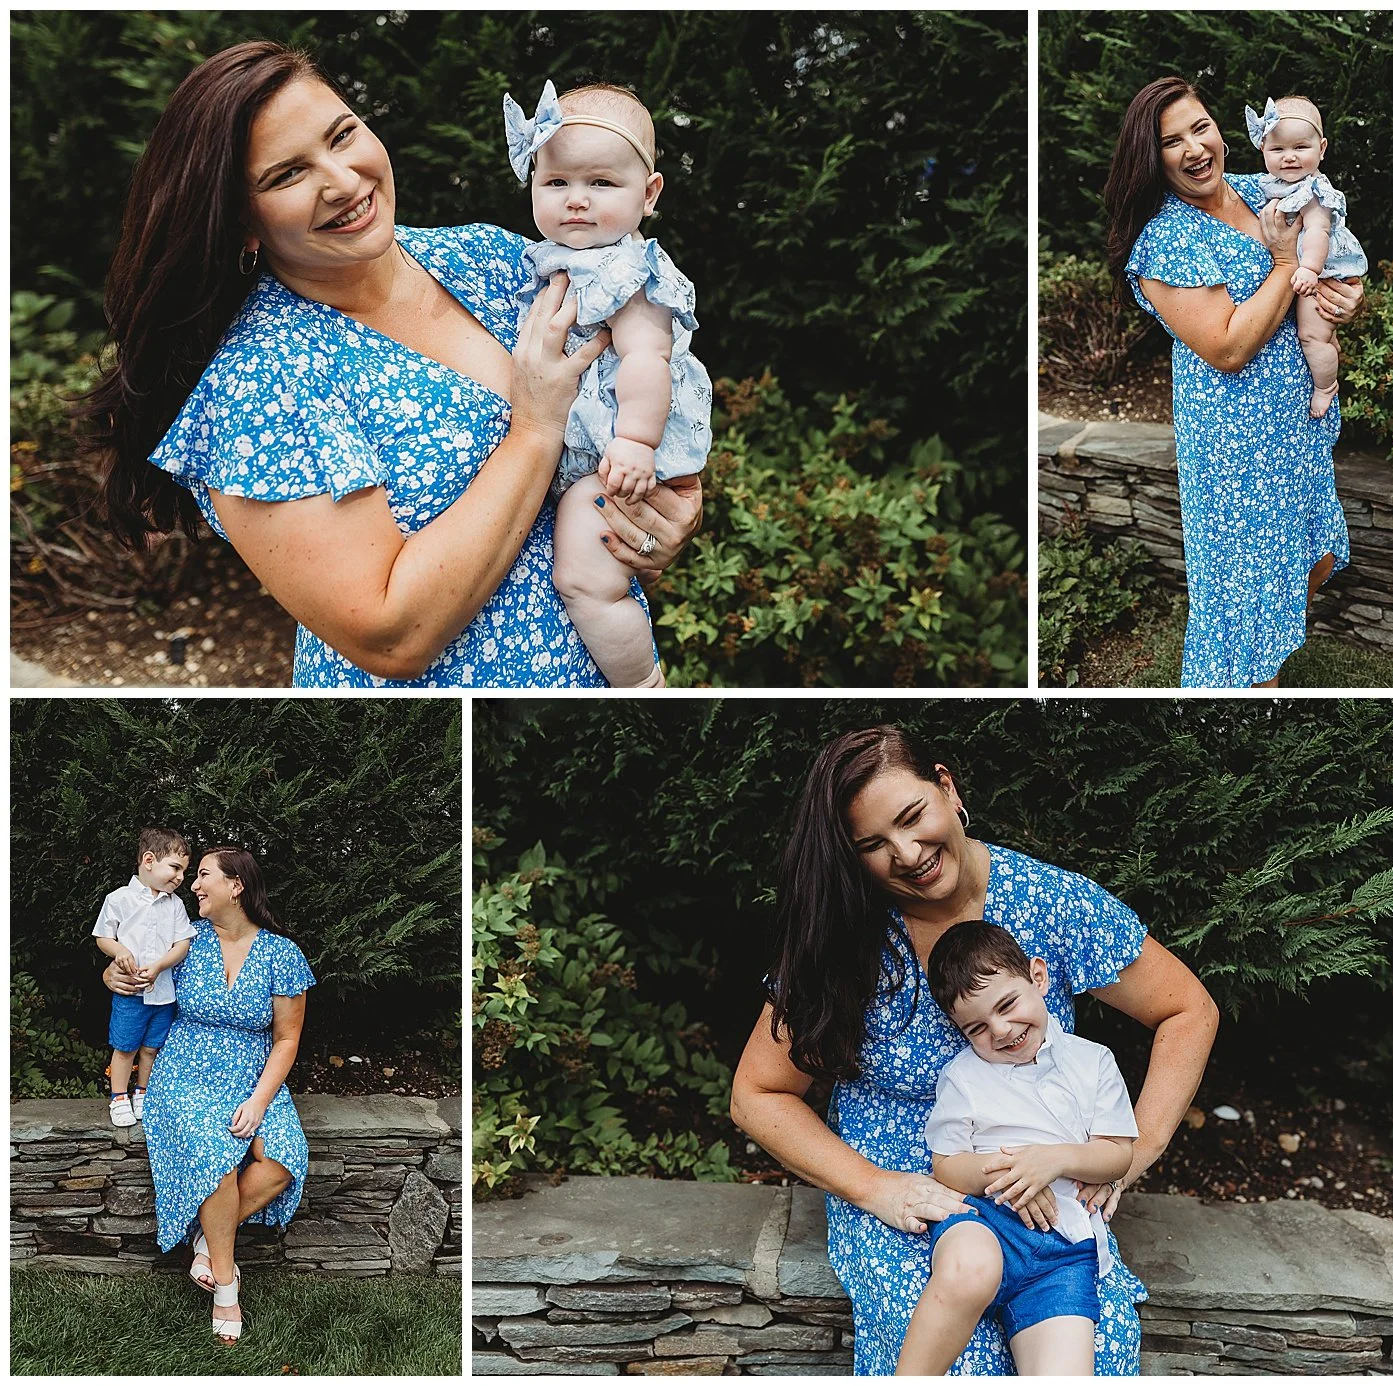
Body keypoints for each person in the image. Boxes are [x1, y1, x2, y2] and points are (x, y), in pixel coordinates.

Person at [82, 41, 701, 687]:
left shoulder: (490, 260)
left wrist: (664, 516)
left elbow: (638, 390)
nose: (343, 180)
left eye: (343, 134)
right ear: (242, 222)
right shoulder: (260, 384)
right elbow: (390, 634)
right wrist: (535, 426)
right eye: (288, 174)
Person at [731, 725, 1219, 1374]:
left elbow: (1187, 1009)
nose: (905, 853)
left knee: (1093, 1356)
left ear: (948, 787)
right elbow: (757, 1093)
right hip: (912, 1182)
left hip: (1042, 1175)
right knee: (962, 1359)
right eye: (873, 844)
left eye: (912, 817)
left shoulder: (1048, 901)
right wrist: (875, 1189)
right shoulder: (846, 933)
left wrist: (1131, 1152)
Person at [1102, 77, 1366, 689]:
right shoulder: (1164, 240)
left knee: (1312, 557)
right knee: (1247, 603)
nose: (1195, 148)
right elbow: (1228, 346)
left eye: (1200, 128)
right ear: (1152, 159)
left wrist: (1347, 296)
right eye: (1172, 142)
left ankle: (1259, 664)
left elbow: (1330, 256)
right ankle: (1249, 713)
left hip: (1293, 424)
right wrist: (1281, 264)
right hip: (1234, 448)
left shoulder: (1261, 190)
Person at [505, 80, 712, 688]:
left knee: (585, 580)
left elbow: (648, 358)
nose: (576, 200)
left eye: (601, 183)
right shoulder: (551, 258)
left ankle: (643, 683)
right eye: (557, 182)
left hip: (622, 452)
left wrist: (636, 443)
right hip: (598, 447)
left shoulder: (630, 269)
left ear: (648, 195)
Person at [897, 922, 1137, 1376]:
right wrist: (1004, 1172)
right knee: (971, 1268)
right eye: (977, 1028)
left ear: (1038, 978)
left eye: (1007, 1005)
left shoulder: (1094, 1062)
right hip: (987, 1222)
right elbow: (946, 1166)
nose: (1002, 1030)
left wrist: (1053, 1159)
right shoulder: (964, 1077)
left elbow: (1117, 1154)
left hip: (1064, 1251)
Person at [106, 847, 315, 1344]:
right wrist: (112, 973)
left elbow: (287, 1038)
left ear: (236, 886)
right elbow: (130, 964)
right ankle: (225, 1284)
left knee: (284, 1161)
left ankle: (203, 1235)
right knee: (214, 1159)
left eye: (203, 876)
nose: (193, 885)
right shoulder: (185, 939)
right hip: (184, 1069)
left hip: (253, 1073)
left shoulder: (282, 954)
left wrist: (261, 1100)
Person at [1244, 95, 1368, 418]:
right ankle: (1330, 349)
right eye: (1277, 150)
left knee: (1311, 336)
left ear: (1322, 149)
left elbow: (1317, 231)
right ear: (1263, 150)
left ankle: (1326, 386)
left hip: (1321, 271)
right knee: (1321, 335)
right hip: (1308, 271)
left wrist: (1310, 269)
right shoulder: (1271, 185)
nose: (1289, 158)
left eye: (1300, 148)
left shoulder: (1314, 192)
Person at [91, 828, 196, 1127]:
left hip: (162, 993)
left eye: (183, 872)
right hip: (130, 993)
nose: (180, 878)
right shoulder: (119, 899)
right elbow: (103, 937)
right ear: (149, 860)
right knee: (125, 1047)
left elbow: (182, 944)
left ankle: (143, 1091)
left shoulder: (174, 904)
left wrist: (161, 965)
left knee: (151, 1047)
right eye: (175, 868)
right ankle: (119, 1097)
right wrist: (119, 951)